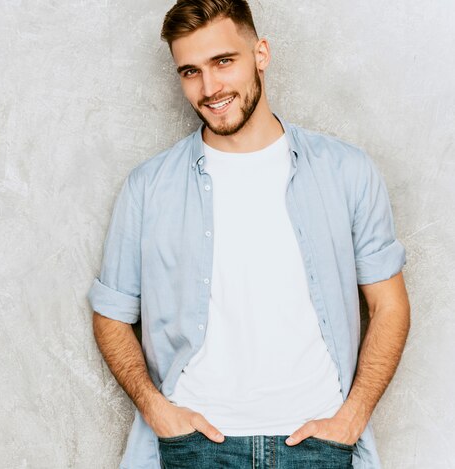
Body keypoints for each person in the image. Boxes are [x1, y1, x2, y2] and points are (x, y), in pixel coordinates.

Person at [87, 0, 410, 467]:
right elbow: (111, 315)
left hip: (317, 445)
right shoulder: (148, 187)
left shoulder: (346, 171)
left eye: (223, 62)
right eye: (190, 71)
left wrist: (352, 418)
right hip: (194, 446)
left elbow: (390, 305)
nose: (210, 87)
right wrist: (158, 411)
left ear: (261, 54)